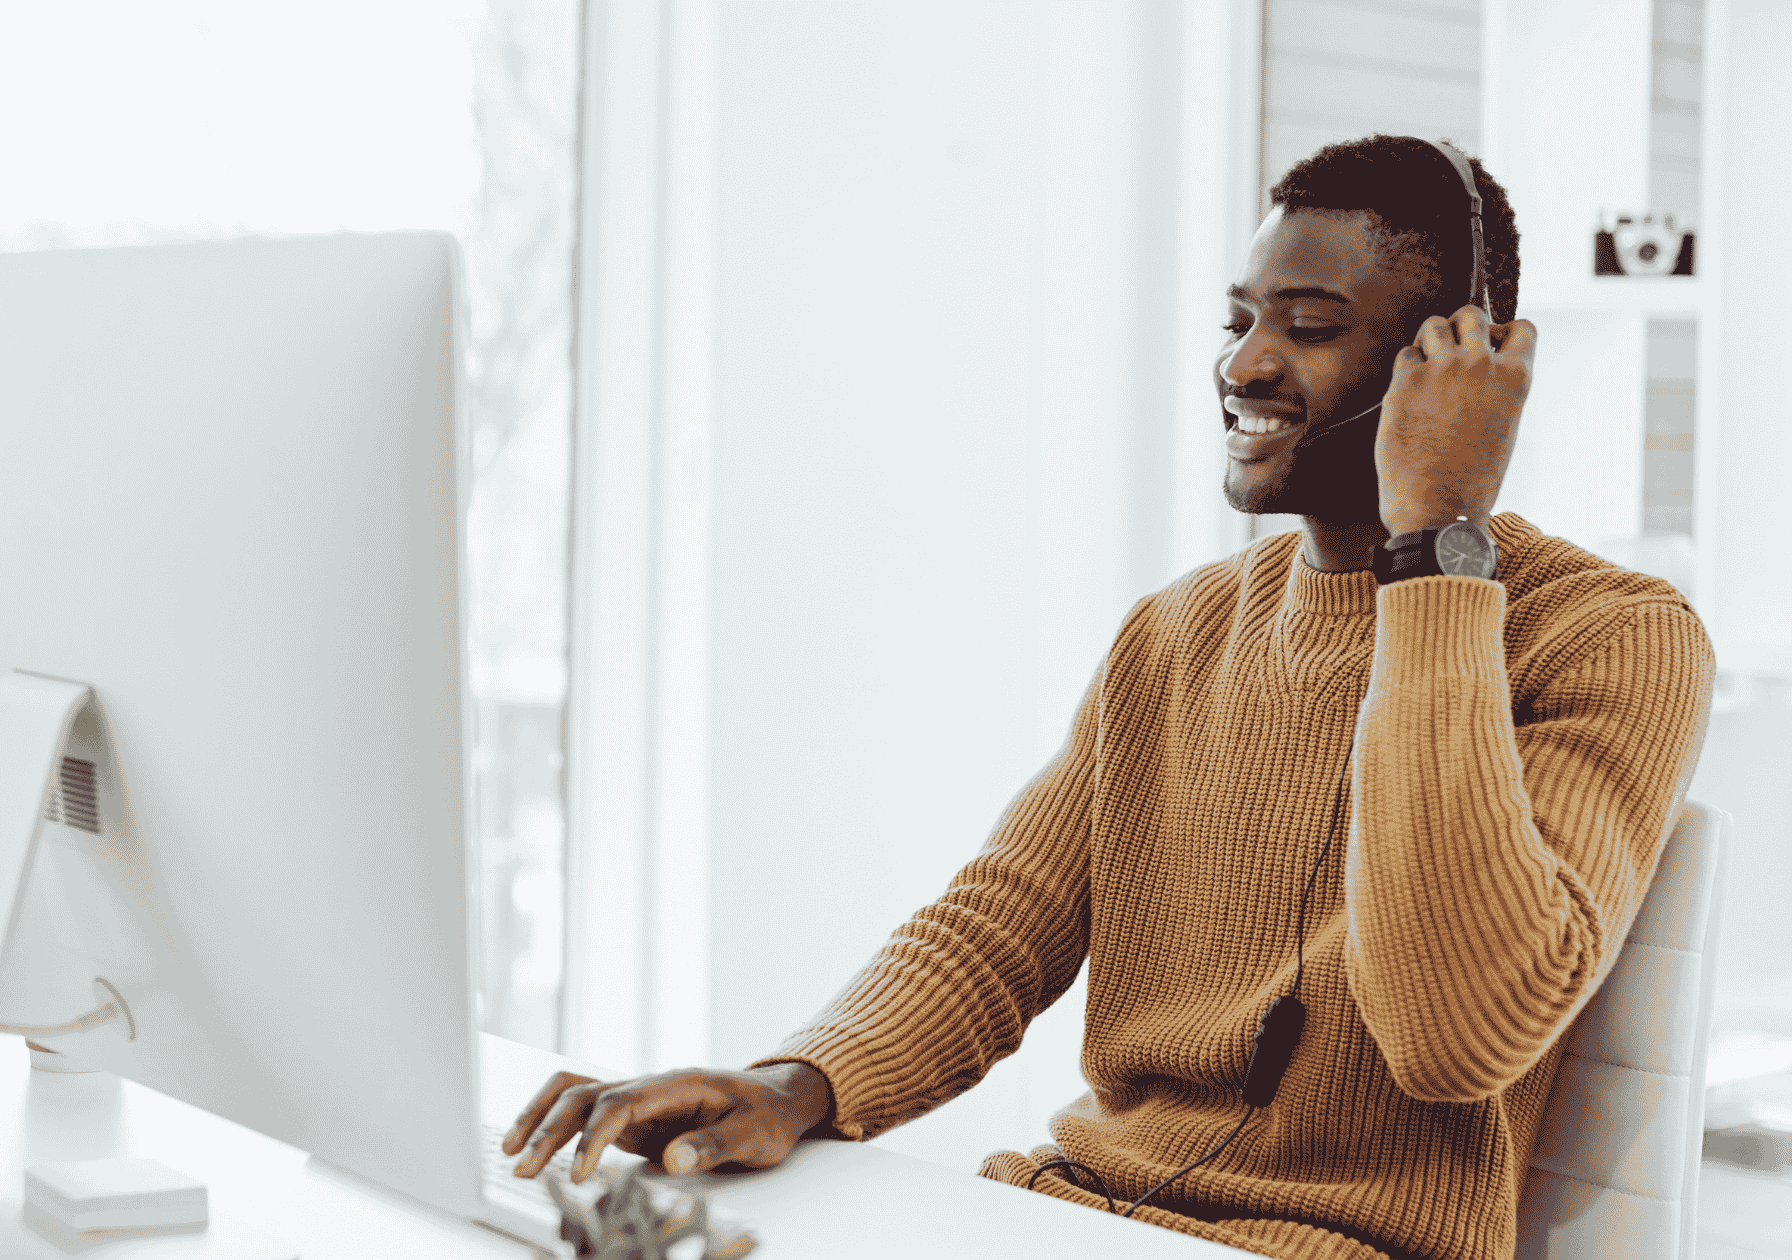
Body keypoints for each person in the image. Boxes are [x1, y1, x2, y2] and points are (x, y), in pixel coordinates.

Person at [499, 134, 1714, 1260]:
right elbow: (993, 930)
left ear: (1450, 360)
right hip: (1065, 1220)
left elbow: (1455, 1034)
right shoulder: (1176, 633)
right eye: (1238, 320)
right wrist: (794, 1085)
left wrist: (1434, 545)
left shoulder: (1611, 638)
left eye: (1307, 325)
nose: (1244, 364)